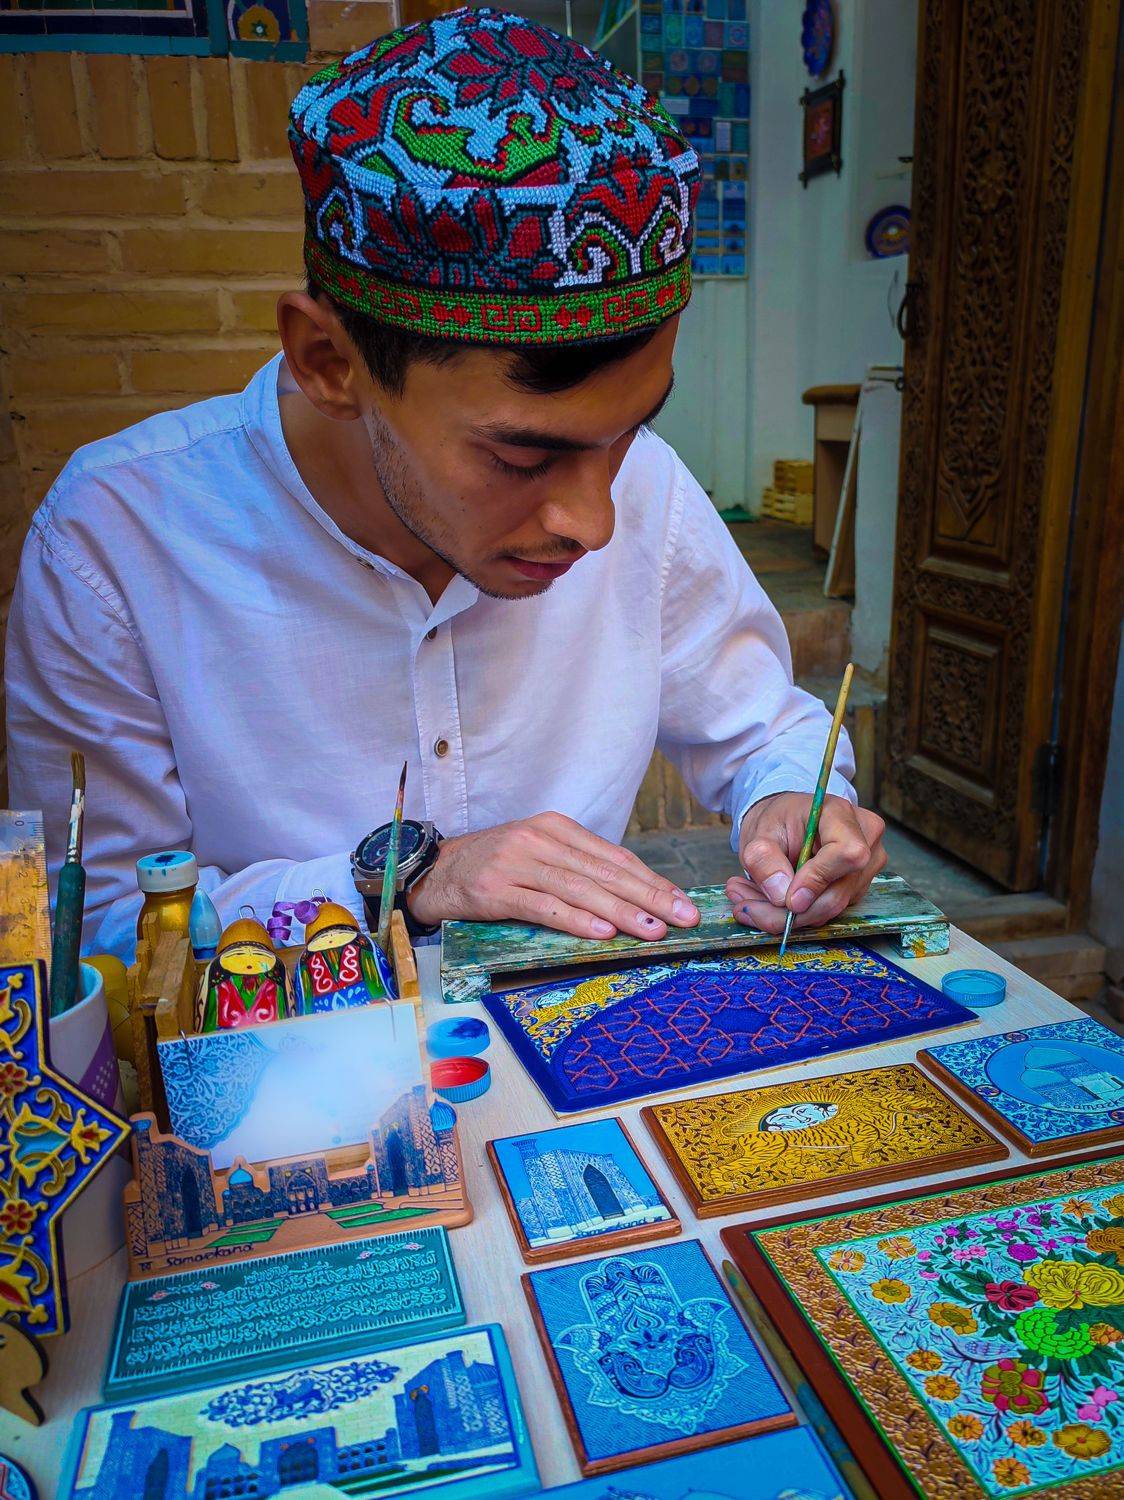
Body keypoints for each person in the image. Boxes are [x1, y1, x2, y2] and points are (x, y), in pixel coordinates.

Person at [5, 7, 885, 962]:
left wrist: (794, 800)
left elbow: (765, 729)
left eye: (631, 431)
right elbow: (88, 932)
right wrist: (404, 879)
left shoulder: (647, 491)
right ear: (329, 363)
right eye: (521, 458)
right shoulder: (114, 545)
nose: (594, 521)